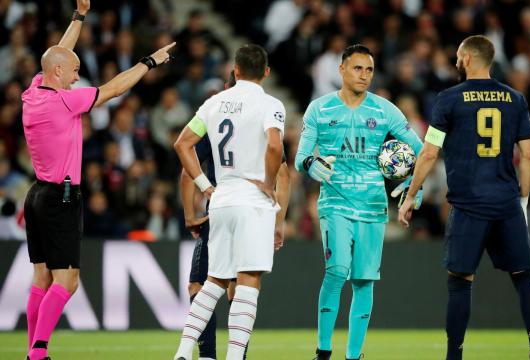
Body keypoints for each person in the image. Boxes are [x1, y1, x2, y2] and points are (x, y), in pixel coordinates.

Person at [20, 1, 175, 359]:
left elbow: (59, 53)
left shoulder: (33, 92)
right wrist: (149, 61)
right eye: (73, 72)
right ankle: (38, 353)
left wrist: (78, 17)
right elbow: (115, 89)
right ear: (58, 73)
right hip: (61, 197)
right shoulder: (64, 102)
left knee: (41, 280)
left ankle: (32, 349)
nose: (77, 76)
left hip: (38, 194)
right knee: (67, 283)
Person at [398, 35, 530, 360]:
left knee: (460, 282)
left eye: (457, 55)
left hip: (468, 206)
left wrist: (411, 195)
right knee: (523, 277)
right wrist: (521, 199)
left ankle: (455, 356)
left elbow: (429, 152)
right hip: (506, 203)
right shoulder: (515, 99)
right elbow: (528, 156)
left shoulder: (449, 99)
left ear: (466, 58)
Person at [295, 44, 423, 360]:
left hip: (372, 206)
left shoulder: (385, 110)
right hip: (335, 202)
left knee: (364, 281)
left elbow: (421, 150)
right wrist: (312, 164)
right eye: (357, 68)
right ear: (341, 70)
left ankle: (354, 356)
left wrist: (413, 188)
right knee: (337, 271)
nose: (364, 75)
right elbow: (300, 157)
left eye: (368, 69)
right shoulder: (319, 109)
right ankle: (323, 352)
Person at [173, 44, 287, 360]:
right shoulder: (271, 104)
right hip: (252, 202)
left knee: (214, 281)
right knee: (248, 281)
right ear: (266, 72)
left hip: (221, 200)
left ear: (235, 71)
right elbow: (275, 147)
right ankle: (235, 357)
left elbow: (182, 144)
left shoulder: (214, 103)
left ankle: (182, 352)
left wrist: (204, 185)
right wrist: (267, 181)